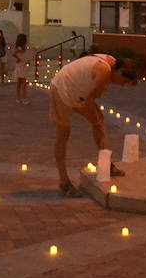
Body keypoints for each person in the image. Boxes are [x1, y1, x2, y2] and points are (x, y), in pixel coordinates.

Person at [49, 52, 138, 197]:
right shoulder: (104, 72)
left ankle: (105, 164)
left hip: (78, 91)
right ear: (120, 72)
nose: (119, 85)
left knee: (99, 121)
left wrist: (97, 121)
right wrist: (95, 120)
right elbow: (90, 100)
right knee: (63, 133)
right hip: (62, 88)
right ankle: (63, 182)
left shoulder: (111, 61)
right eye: (122, 82)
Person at [10, 34, 33, 104]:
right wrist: (19, 58)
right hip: (21, 65)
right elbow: (13, 54)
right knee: (23, 82)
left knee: (20, 82)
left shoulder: (24, 48)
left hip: (22, 65)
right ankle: (24, 98)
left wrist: (27, 60)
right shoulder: (20, 48)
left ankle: (18, 97)